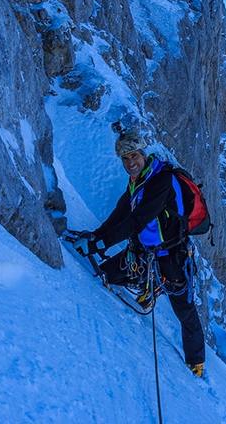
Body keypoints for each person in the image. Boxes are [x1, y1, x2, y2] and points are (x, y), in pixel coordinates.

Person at [73, 129, 206, 377]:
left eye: (133, 155)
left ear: (143, 154)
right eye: (124, 158)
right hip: (143, 254)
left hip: (172, 257)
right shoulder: (138, 180)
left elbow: (137, 220)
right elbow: (122, 212)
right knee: (107, 274)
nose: (130, 162)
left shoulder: (161, 181)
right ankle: (149, 287)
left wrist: (96, 246)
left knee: (184, 310)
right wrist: (97, 235)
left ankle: (196, 362)